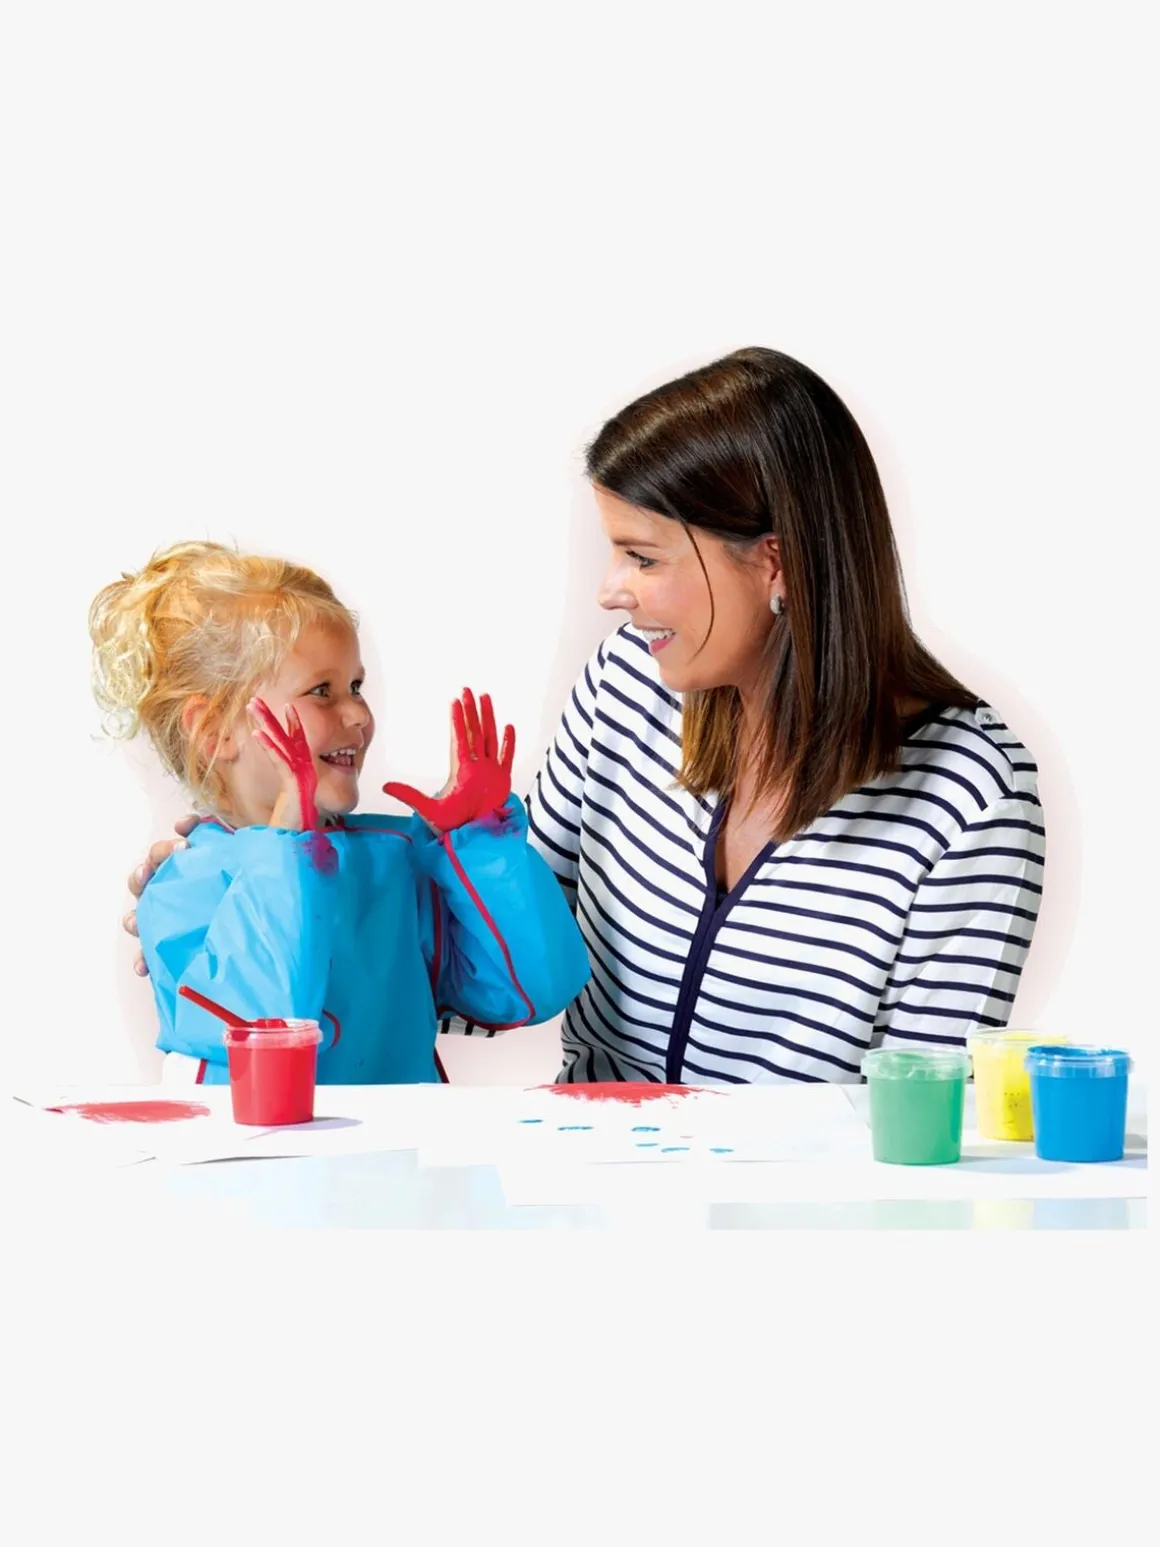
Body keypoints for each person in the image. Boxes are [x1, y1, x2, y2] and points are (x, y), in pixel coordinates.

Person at [127, 350, 1045, 1086]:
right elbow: (491, 976)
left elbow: (926, 1114)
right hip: (587, 1185)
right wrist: (262, 884)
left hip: (796, 1220)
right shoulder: (628, 685)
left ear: (775, 562)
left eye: (643, 557)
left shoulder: (969, 792)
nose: (611, 592)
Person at [94, 540, 588, 1084]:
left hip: (407, 1141)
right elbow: (263, 1027)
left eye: (355, 686)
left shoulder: (393, 862)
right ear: (215, 732)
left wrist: (479, 844)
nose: (356, 712)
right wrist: (286, 848)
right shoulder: (181, 888)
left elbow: (531, 991)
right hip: (250, 1143)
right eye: (322, 691)